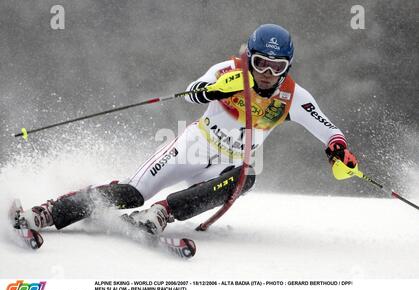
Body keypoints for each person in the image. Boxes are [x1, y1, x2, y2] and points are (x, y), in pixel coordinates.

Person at [17, 24, 357, 236]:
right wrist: (213, 90)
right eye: (260, 64)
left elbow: (329, 130)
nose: (267, 73)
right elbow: (196, 88)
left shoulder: (294, 97)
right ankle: (48, 212)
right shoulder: (229, 71)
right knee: (132, 193)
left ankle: (163, 213)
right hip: (193, 147)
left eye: (277, 67)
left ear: (288, 67)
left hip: (227, 165)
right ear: (249, 59)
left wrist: (339, 151)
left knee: (245, 176)